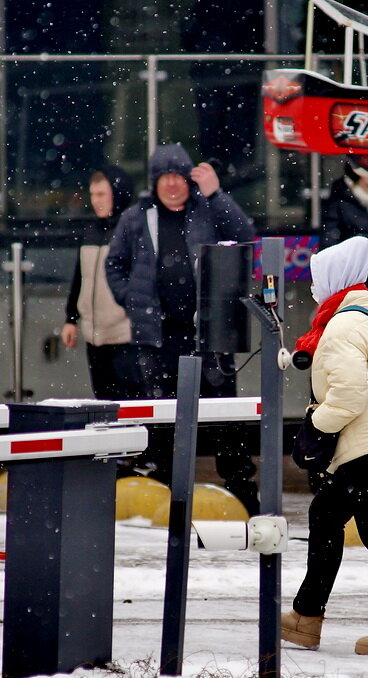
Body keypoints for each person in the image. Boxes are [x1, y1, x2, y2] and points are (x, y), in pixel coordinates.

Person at [281, 236, 368, 657]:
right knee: (326, 520)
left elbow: (347, 397)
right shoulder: (361, 315)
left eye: (316, 281)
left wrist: (313, 427)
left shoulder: (343, 326)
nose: (312, 289)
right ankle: (307, 617)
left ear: (333, 280)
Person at [104, 143, 259, 514]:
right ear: (154, 182)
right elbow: (115, 264)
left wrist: (216, 192)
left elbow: (244, 236)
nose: (172, 185)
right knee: (159, 412)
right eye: (165, 178)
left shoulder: (207, 209)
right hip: (157, 337)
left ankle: (240, 487)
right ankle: (160, 488)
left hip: (209, 334)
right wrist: (133, 300)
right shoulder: (137, 217)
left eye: (179, 177)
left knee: (225, 414)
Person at [60, 166, 140, 399]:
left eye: (101, 194)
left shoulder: (132, 231)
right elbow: (81, 277)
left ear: (118, 193)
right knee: (103, 398)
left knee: (128, 401)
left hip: (124, 333)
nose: (95, 201)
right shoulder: (91, 231)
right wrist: (71, 318)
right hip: (94, 334)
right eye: (92, 195)